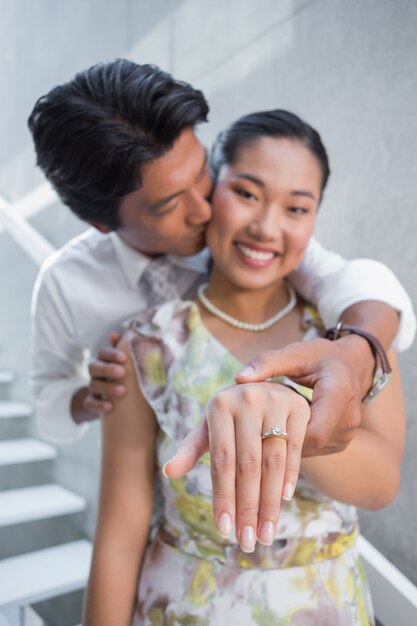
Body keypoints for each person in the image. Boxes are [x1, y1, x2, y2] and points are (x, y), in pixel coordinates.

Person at [28, 59, 414, 537]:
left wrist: (357, 350)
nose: (205, 207)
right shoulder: (68, 285)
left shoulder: (246, 234)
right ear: (103, 224)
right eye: (171, 203)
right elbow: (47, 396)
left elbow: (359, 283)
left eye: (202, 173)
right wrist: (89, 397)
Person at [84, 110, 405, 626]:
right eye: (248, 194)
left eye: (297, 208)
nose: (266, 227)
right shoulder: (146, 345)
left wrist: (293, 412)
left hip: (325, 604)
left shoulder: (346, 334)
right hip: (181, 606)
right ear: (211, 189)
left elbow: (381, 483)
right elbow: (120, 536)